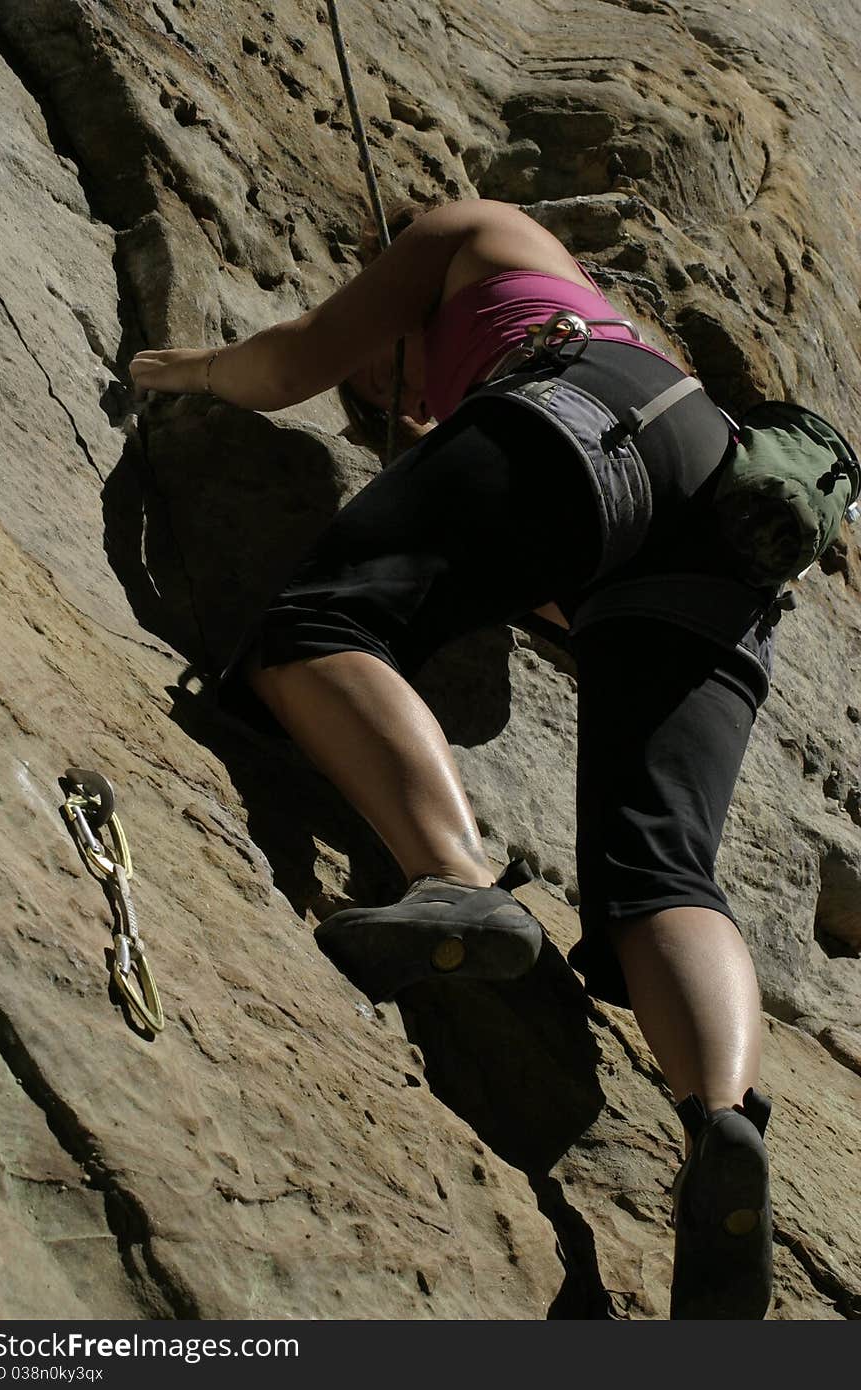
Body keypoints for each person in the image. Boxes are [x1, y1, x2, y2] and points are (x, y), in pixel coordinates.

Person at [130, 197, 774, 1319]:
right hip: (726, 530)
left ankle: (460, 887)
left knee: (317, 628)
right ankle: (719, 1116)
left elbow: (285, 365)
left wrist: (178, 369)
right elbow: (549, 568)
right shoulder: (594, 331)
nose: (412, 407)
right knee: (659, 869)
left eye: (391, 388)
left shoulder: (477, 231)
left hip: (592, 414)